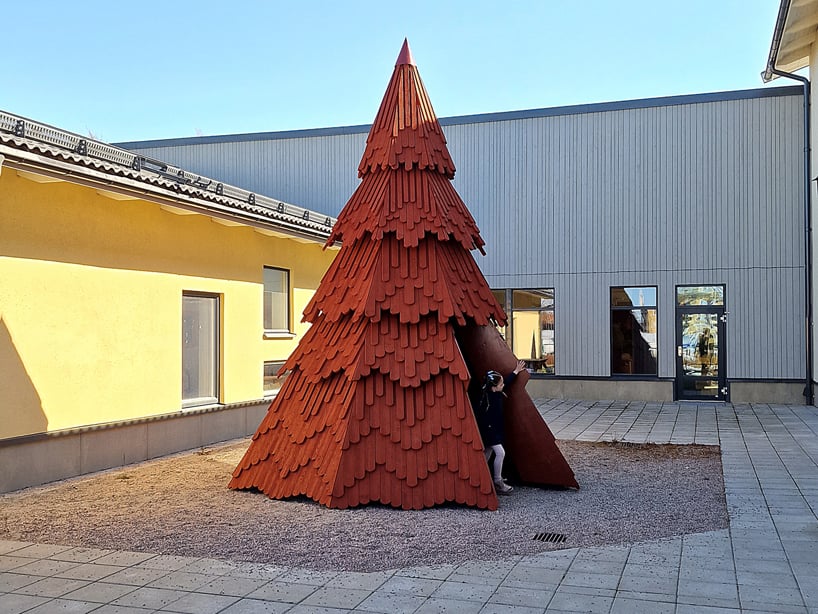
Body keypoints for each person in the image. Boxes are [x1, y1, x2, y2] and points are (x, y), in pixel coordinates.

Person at [475, 359, 526, 495]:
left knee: (487, 453)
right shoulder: (486, 400)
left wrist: (515, 371)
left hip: (492, 430)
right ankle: (497, 481)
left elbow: (507, 383)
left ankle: (480, 477)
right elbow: (482, 418)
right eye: (500, 384)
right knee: (500, 453)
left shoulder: (495, 393)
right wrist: (491, 432)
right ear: (493, 387)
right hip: (489, 431)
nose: (503, 385)